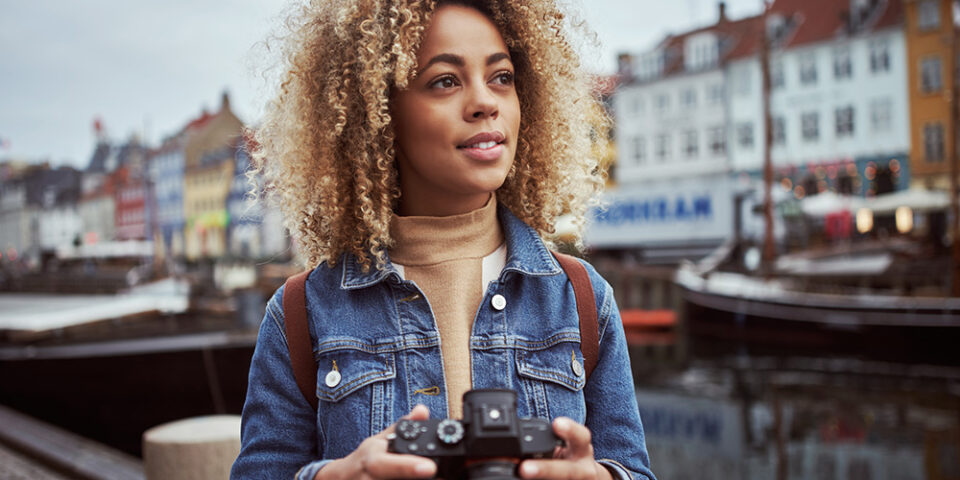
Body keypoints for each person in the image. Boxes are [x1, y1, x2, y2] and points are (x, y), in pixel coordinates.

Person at [231, 1, 656, 479]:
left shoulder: (582, 298)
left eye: (502, 77)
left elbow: (633, 470)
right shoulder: (300, 314)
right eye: (445, 81)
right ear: (377, 112)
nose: (485, 102)